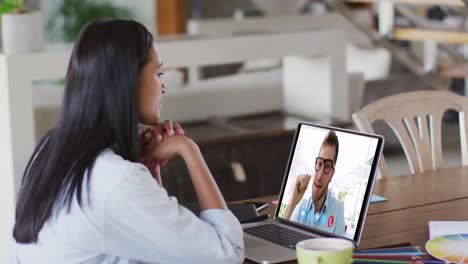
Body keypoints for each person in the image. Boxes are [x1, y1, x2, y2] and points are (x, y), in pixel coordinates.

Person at [12, 19, 244, 264]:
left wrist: (151, 169)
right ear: (127, 82)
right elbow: (227, 253)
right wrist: (189, 149)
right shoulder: (116, 180)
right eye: (158, 73)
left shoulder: (51, 150)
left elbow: (160, 246)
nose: (163, 86)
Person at [283, 131, 345, 236]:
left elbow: (342, 249)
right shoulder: (301, 206)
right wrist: (293, 202)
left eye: (327, 167)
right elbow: (281, 236)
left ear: (332, 174)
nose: (320, 175)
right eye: (320, 164)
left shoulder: (337, 209)